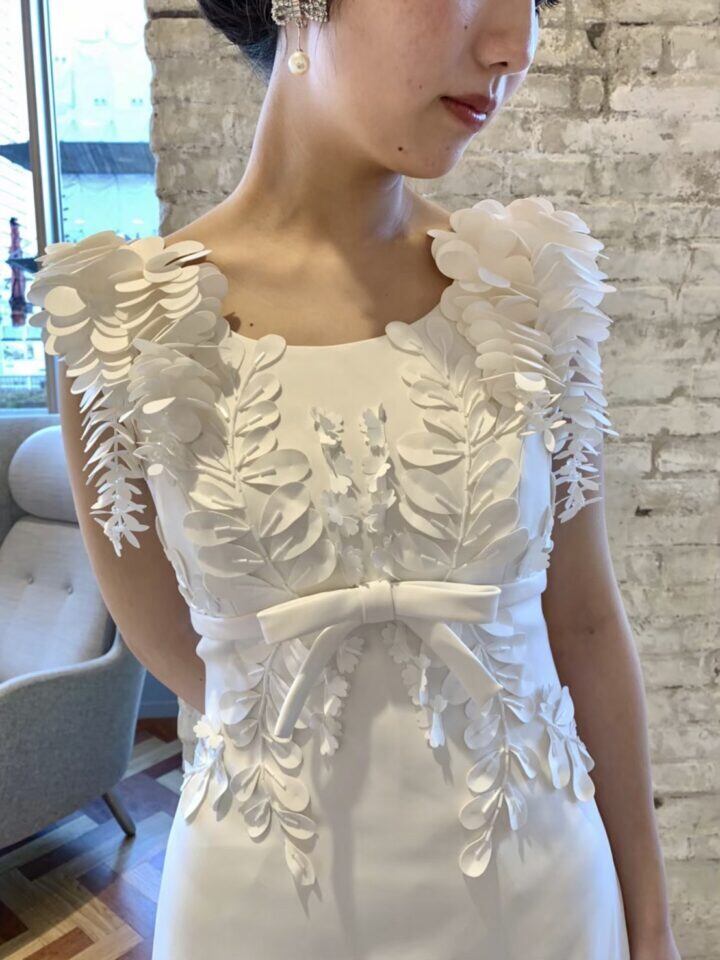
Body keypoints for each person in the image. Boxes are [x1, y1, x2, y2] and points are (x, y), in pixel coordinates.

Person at [28, 0, 681, 957]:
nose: (513, 44)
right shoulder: (121, 324)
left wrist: (652, 928)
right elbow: (172, 641)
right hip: (259, 908)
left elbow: (583, 622)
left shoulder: (529, 292)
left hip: (541, 898)